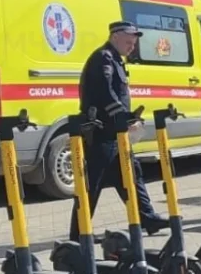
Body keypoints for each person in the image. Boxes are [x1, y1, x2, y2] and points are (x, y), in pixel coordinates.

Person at [71, 21, 169, 242]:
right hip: (102, 133)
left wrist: (127, 118)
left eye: (133, 43)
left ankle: (147, 218)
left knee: (132, 175)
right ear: (115, 37)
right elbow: (105, 93)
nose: (132, 47)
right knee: (91, 185)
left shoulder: (114, 59)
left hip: (116, 133)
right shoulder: (103, 58)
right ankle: (78, 235)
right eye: (128, 42)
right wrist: (123, 118)